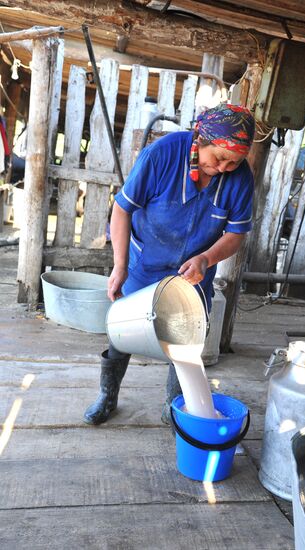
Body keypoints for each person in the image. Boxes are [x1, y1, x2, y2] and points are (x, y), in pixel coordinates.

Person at [83, 102, 255, 426]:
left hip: (193, 274)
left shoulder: (240, 178)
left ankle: (173, 408)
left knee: (184, 343)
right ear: (200, 137)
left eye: (233, 163)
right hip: (145, 263)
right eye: (218, 158)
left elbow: (236, 234)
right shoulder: (161, 155)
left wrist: (206, 258)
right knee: (121, 332)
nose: (223, 169)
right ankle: (107, 397)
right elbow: (122, 210)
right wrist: (119, 266)